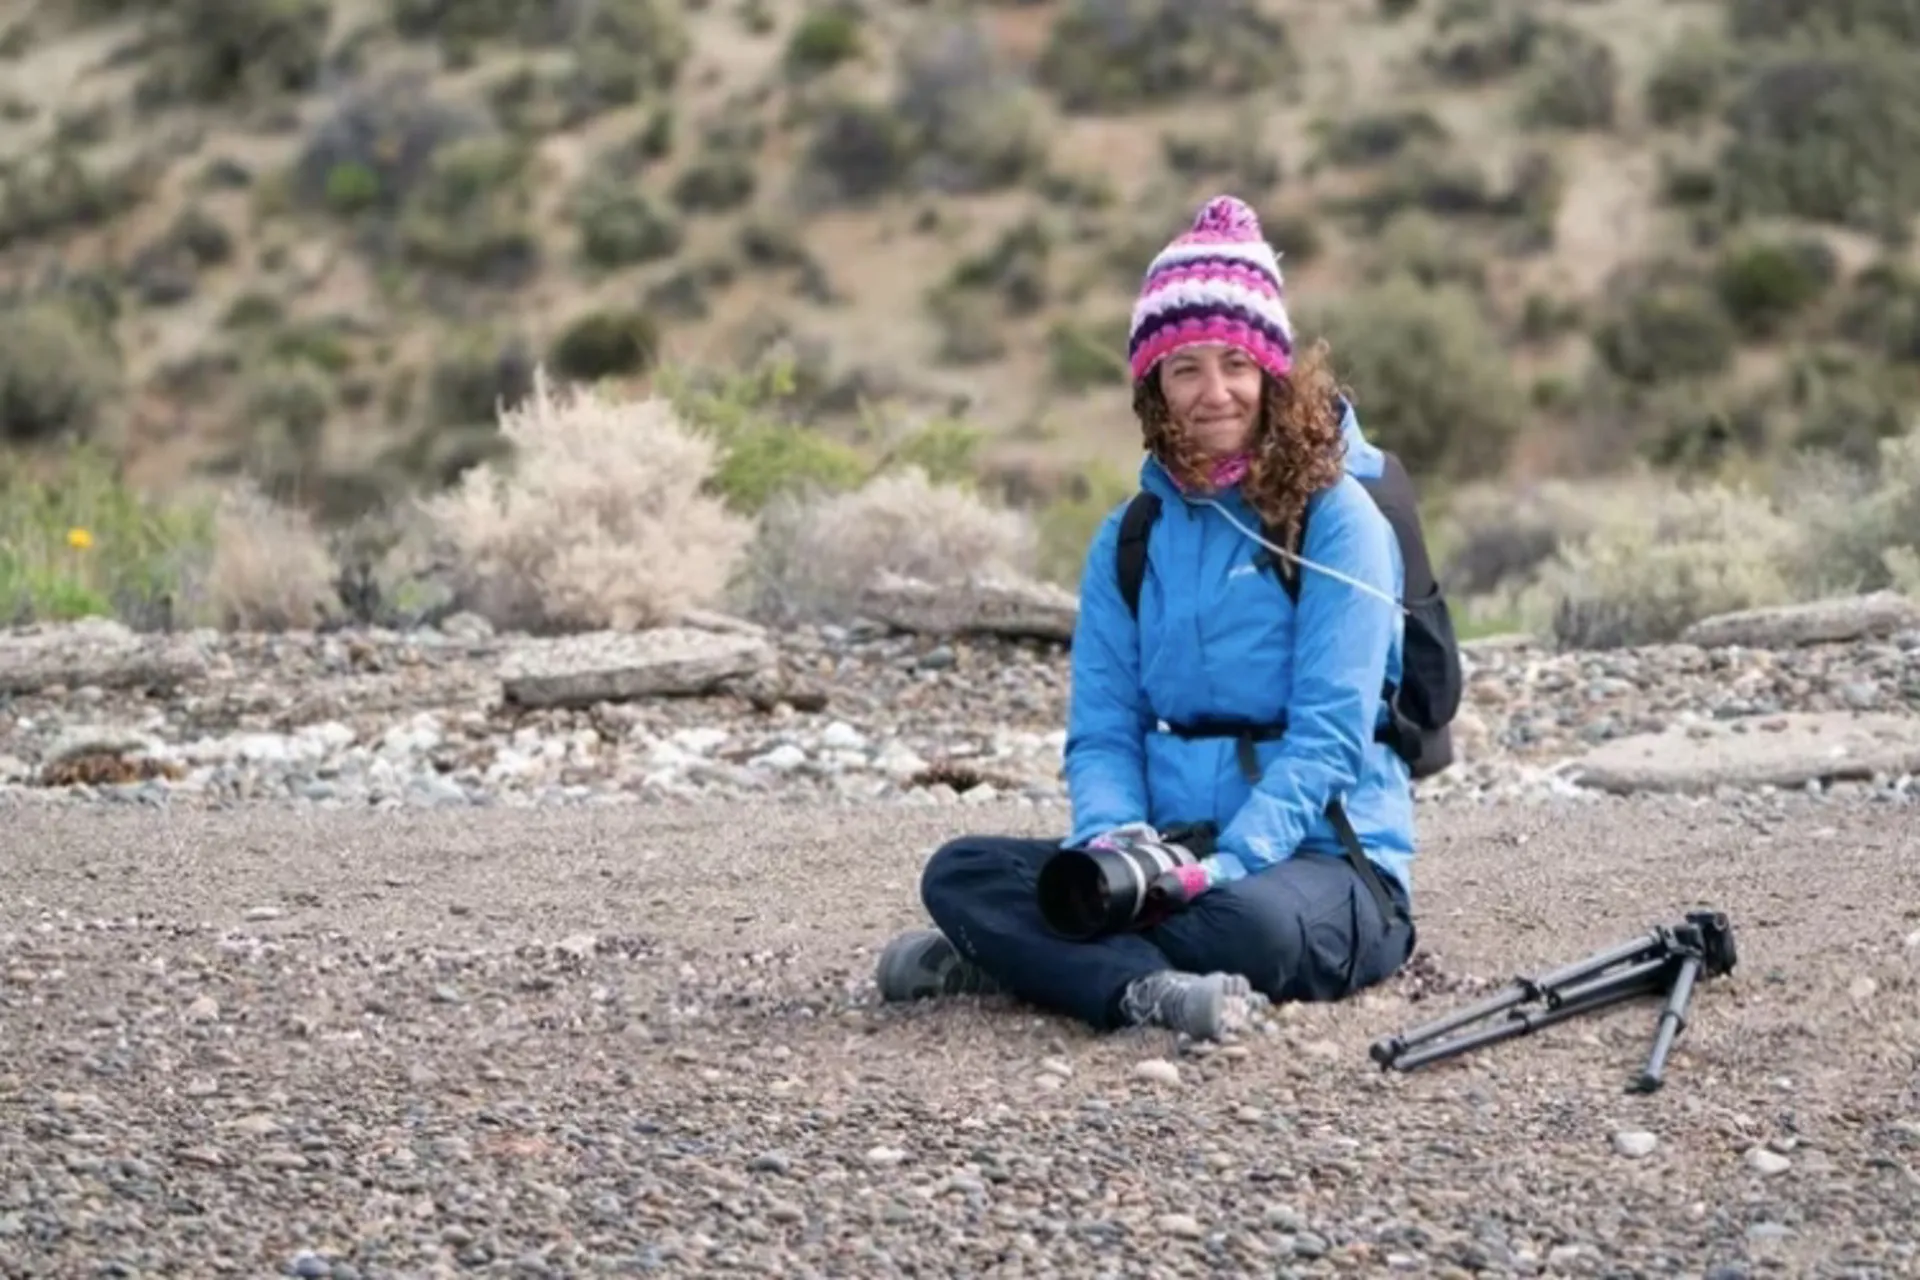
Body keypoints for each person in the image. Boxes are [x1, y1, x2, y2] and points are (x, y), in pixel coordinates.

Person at [874, 194, 1418, 1041]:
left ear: (1272, 373)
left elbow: (1329, 741)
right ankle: (1138, 990)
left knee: (1248, 928)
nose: (1214, 393)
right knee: (961, 871)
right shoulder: (1129, 538)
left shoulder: (1338, 520)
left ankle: (1022, 962)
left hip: (1320, 862)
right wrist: (1112, 841)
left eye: (1234, 364)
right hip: (1163, 857)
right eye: (1185, 368)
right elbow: (1101, 733)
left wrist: (1226, 865)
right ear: (1154, 385)